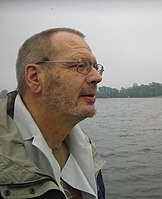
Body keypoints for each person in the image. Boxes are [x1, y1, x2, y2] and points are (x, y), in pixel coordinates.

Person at [0, 28, 105, 199]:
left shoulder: (86, 148)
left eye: (94, 67)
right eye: (80, 65)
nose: (97, 77)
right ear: (35, 77)